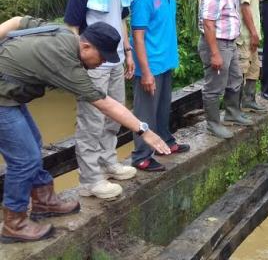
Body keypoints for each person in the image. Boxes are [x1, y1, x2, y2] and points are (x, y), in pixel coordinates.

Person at [0, 16, 169, 243]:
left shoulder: (64, 35)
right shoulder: (67, 64)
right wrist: (144, 130)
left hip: (10, 94)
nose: (102, 64)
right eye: (101, 58)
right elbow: (105, 104)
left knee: (34, 142)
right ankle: (14, 223)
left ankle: (43, 200)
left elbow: (19, 21)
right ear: (86, 46)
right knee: (24, 159)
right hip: (3, 98)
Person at [64, 0, 142, 200]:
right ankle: (90, 180)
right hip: (91, 64)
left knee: (113, 117)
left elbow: (120, 20)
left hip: (115, 60)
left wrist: (128, 51)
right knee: (91, 122)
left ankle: (108, 163)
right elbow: (72, 28)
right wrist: (77, 65)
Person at [130, 0, 190, 172]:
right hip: (150, 64)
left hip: (165, 60)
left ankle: (166, 140)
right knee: (145, 112)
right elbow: (138, 36)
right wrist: (145, 72)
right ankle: (141, 155)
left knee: (164, 107)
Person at [198, 0, 252, 140]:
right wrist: (214, 53)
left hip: (229, 43)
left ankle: (232, 112)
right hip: (217, 43)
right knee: (214, 85)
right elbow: (208, 23)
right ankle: (213, 124)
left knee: (235, 78)